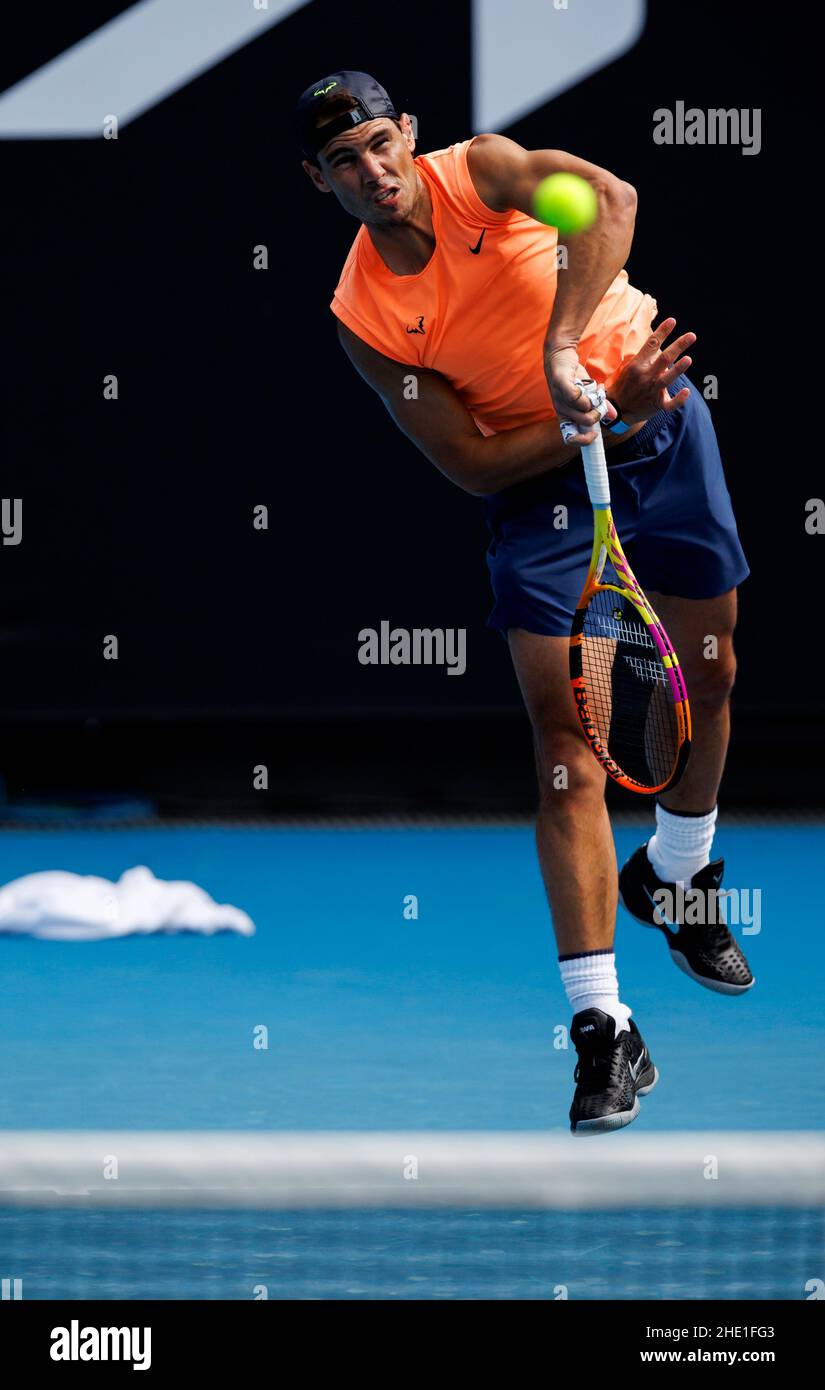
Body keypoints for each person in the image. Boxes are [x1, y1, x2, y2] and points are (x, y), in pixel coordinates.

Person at [294, 71, 752, 1134]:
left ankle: (677, 875)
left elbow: (612, 204)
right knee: (569, 747)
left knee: (714, 675)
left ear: (408, 134)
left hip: (665, 429)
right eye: (342, 163)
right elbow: (470, 461)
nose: (372, 173)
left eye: (377, 144)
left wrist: (568, 351)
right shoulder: (364, 317)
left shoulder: (487, 172)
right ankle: (603, 1028)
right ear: (318, 182)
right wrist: (588, 419)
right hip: (544, 487)